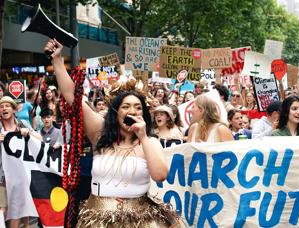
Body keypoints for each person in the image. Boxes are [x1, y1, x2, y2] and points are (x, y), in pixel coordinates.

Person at [44, 39, 180, 227]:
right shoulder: (99, 133)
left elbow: (160, 175)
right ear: (116, 113)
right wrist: (57, 59)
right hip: (97, 220)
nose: (132, 111)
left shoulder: (151, 142)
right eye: (126, 106)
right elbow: (72, 96)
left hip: (140, 221)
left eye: (138, 108)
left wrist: (142, 137)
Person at [0, 96, 42, 228]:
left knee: (17, 211)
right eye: (1, 107)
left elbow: (39, 138)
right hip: (2, 178)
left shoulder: (22, 124)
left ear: (13, 110)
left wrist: (28, 132)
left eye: (7, 106)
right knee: (3, 210)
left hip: (21, 176)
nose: (4, 109)